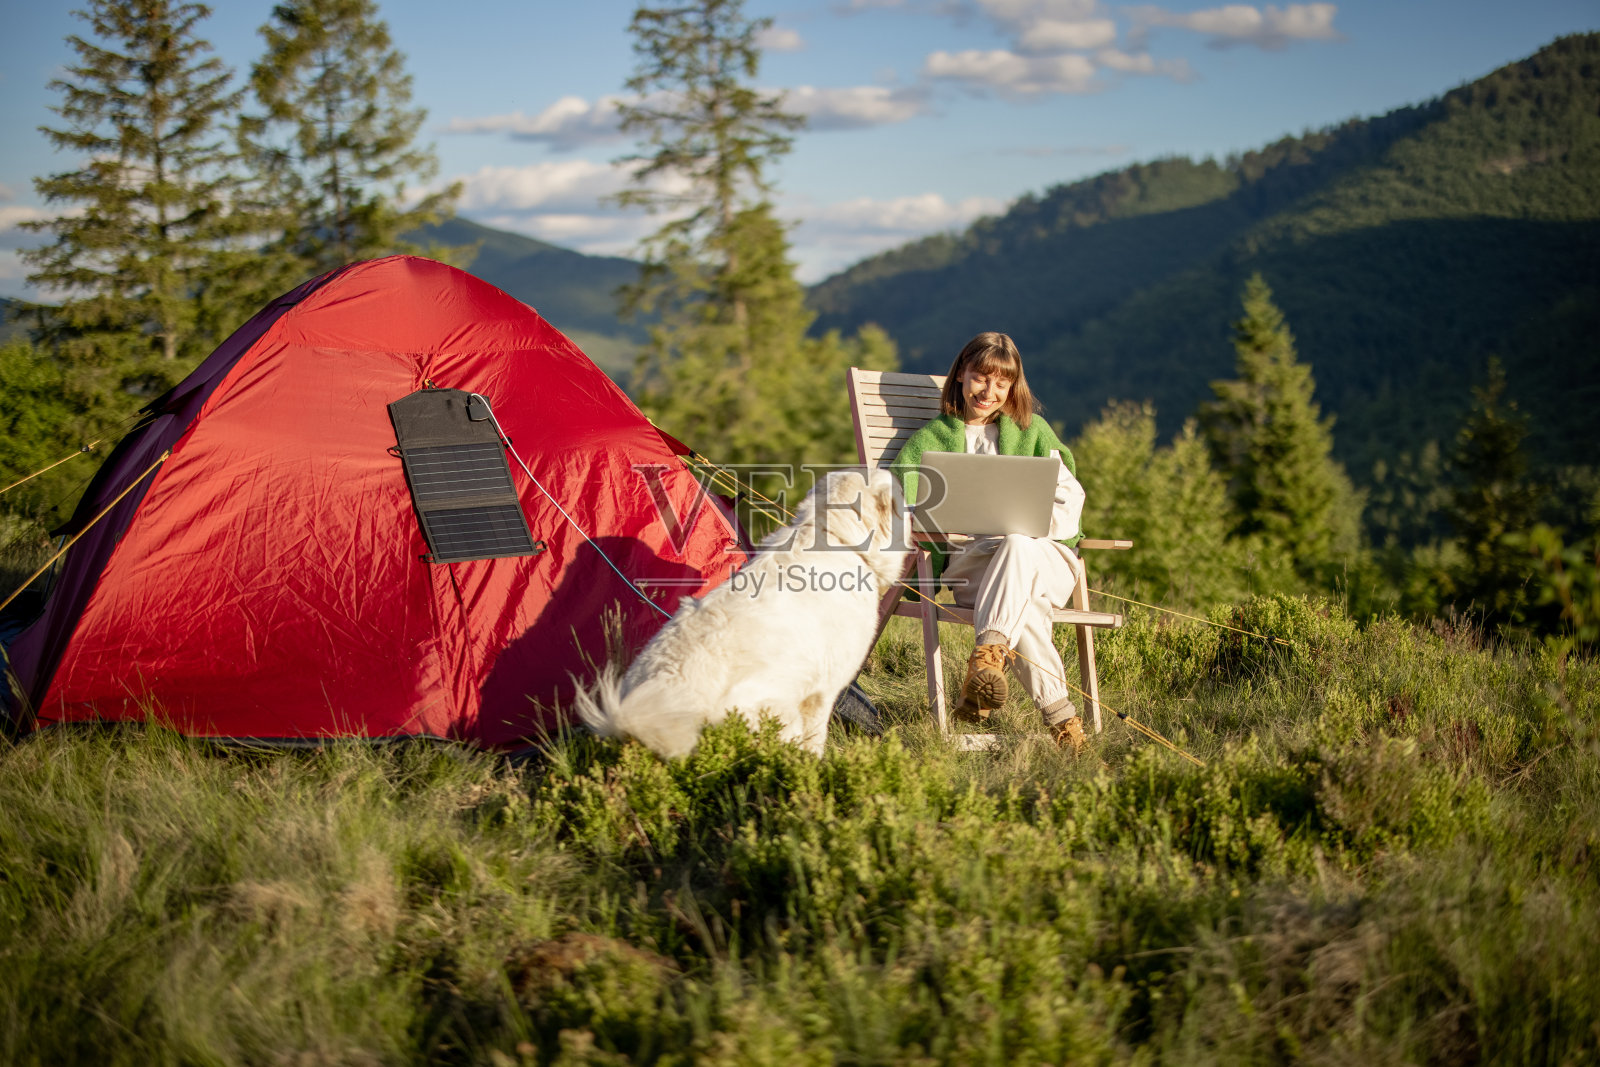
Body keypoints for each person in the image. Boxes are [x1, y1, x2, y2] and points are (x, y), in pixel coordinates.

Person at [890, 331, 1091, 754]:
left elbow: (1070, 499)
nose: (990, 391)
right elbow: (901, 501)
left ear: (1013, 386)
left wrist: (1030, 527)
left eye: (1002, 383)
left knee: (1018, 541)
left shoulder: (1032, 432)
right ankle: (1065, 727)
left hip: (1043, 557)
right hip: (973, 563)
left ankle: (986, 663)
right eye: (981, 377)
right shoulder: (929, 441)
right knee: (1026, 606)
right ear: (962, 374)